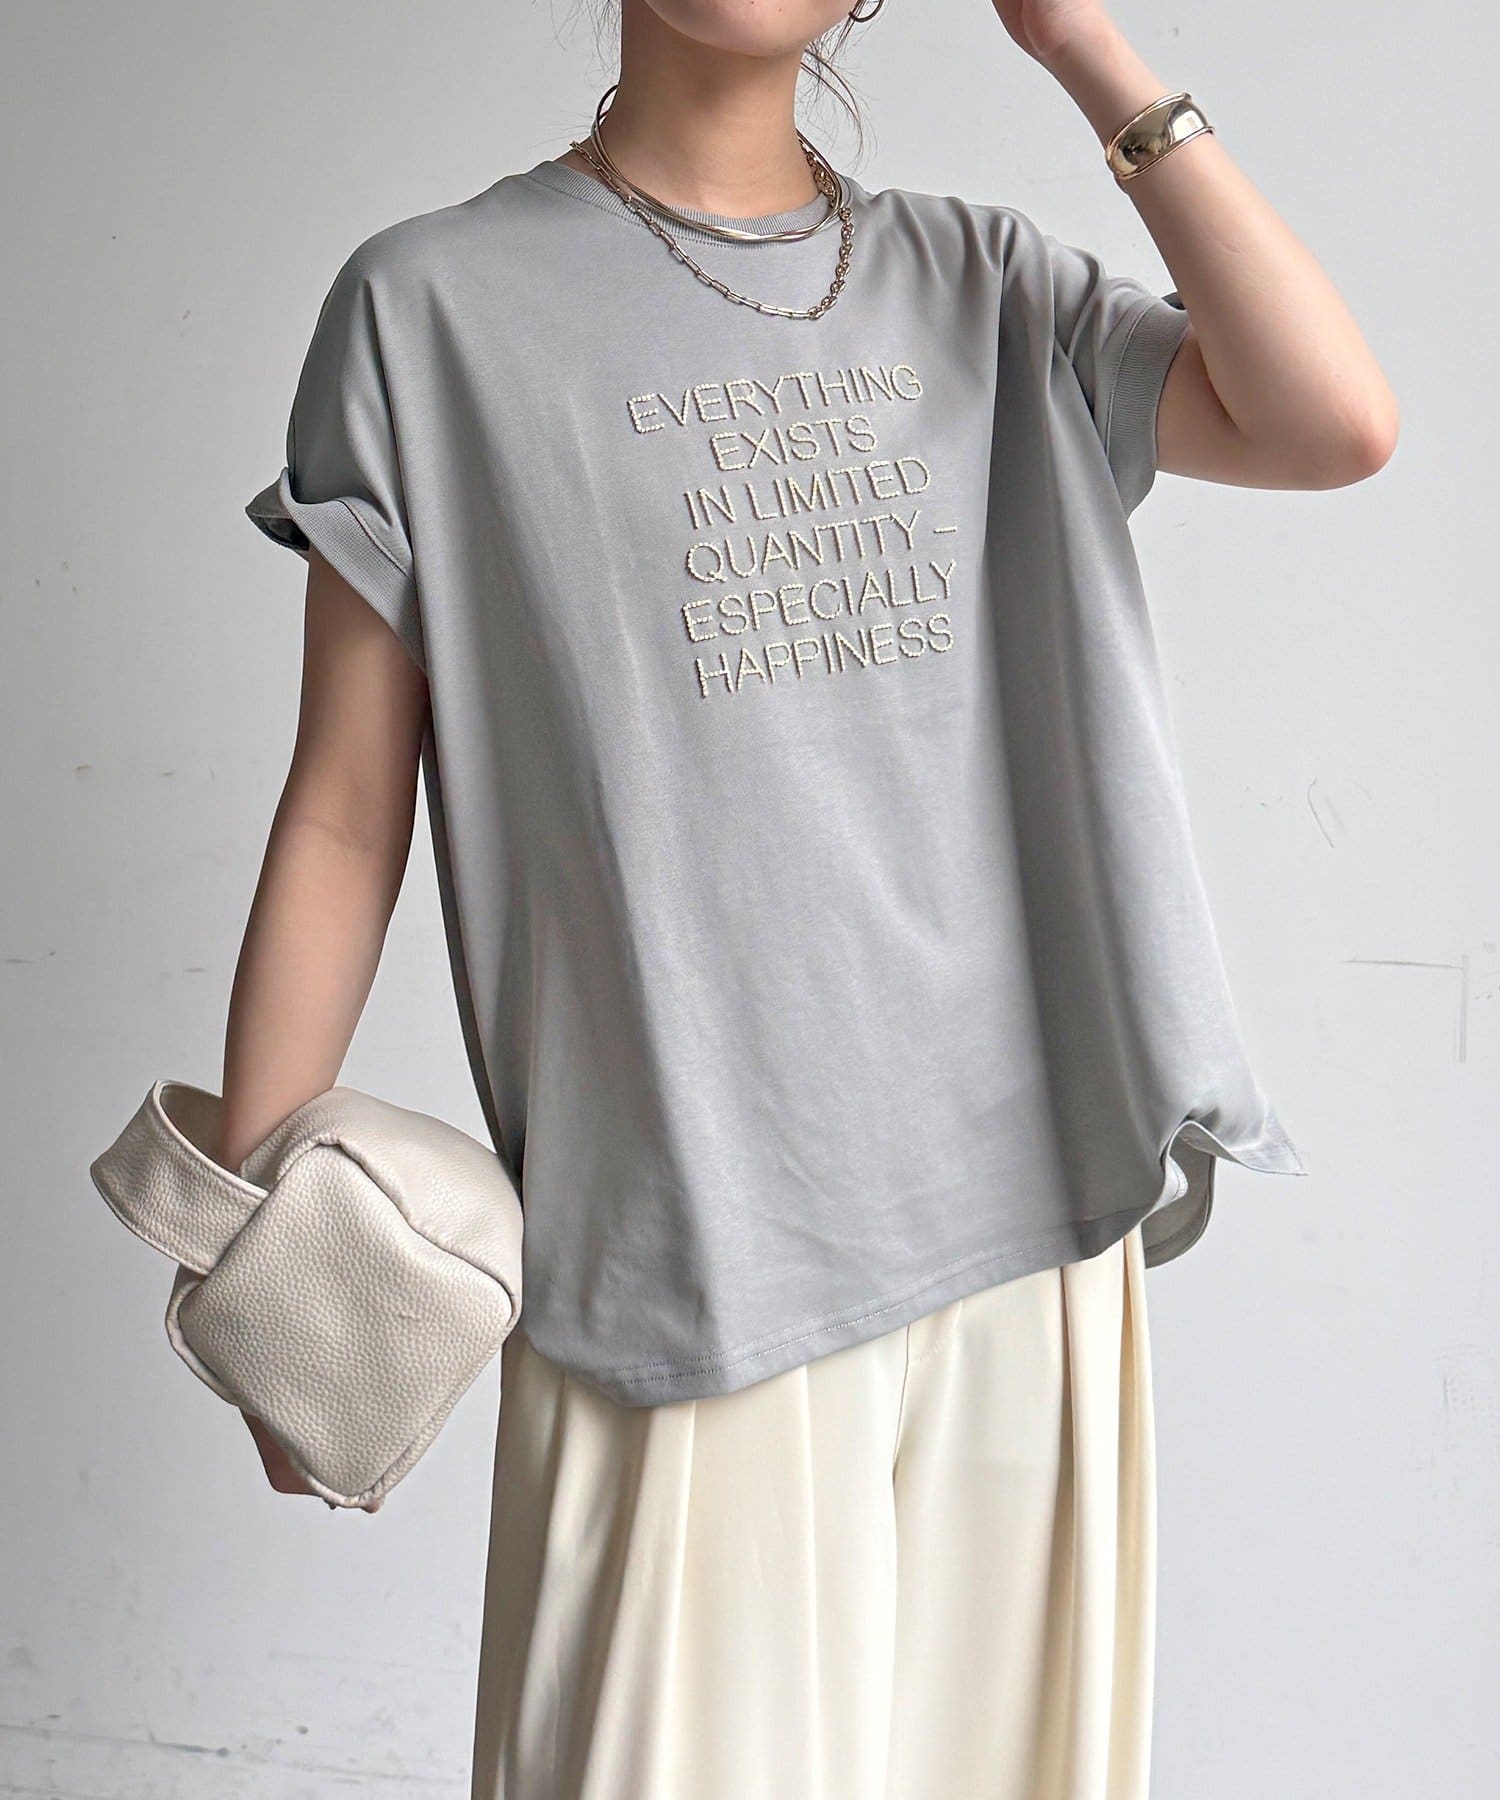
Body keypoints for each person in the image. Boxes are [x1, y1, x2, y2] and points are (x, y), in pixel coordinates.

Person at [220, 1, 1396, 1794]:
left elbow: (1332, 421)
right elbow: (342, 809)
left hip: (1029, 1225)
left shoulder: (989, 284)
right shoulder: (428, 308)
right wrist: (265, 1267)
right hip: (686, 1245)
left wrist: (1082, 44)